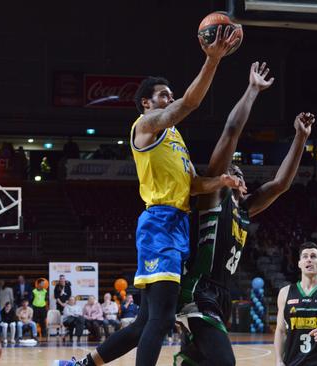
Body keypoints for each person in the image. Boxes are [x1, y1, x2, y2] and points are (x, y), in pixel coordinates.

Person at [76, 25, 241, 366]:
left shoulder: (175, 138)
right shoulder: (147, 125)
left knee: (143, 323)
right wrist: (212, 60)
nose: (169, 98)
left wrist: (220, 182)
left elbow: (194, 184)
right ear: (146, 103)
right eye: (163, 94)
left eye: (170, 93)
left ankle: (85, 364)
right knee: (162, 319)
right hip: (159, 223)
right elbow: (190, 103)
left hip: (176, 223)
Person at [175, 62, 314, 366]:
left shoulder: (245, 208)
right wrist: (252, 90)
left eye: (239, 171)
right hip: (198, 291)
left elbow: (280, 184)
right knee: (225, 362)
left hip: (220, 295)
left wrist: (300, 138)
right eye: (230, 170)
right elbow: (231, 131)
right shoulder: (213, 197)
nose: (234, 173)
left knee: (196, 361)